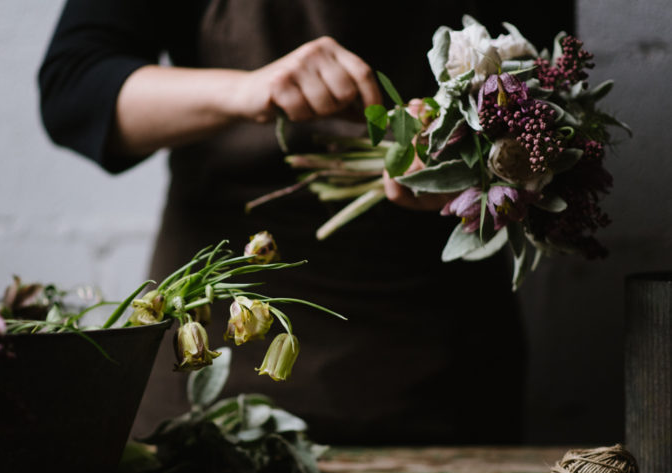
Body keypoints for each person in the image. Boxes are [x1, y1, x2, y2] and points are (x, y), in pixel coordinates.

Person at [38, 0, 573, 444]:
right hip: (214, 356)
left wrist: (471, 166)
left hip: (439, 372)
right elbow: (74, 88)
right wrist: (246, 91)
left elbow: (553, 110)